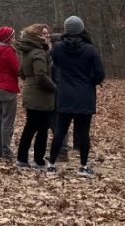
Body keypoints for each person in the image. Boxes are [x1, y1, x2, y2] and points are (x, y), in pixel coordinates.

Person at [47, 16, 105, 176]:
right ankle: (84, 166)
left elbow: (56, 65)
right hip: (85, 95)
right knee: (83, 131)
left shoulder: (58, 48)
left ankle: (51, 165)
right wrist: (90, 81)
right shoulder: (90, 50)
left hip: (65, 94)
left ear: (66, 30)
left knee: (60, 130)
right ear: (81, 29)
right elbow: (100, 73)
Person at [15, 23, 54, 170]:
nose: (47, 36)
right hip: (41, 95)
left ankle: (22, 158)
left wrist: (29, 83)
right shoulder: (39, 53)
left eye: (48, 33)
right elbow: (41, 76)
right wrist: (54, 88)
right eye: (44, 34)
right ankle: (38, 160)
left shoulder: (27, 51)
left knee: (30, 126)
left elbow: (21, 72)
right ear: (36, 37)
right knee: (42, 128)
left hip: (31, 93)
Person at [0, 26, 21, 161]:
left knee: (0, 120)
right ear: (8, 39)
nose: (14, 39)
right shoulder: (8, 51)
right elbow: (17, 69)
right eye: (12, 37)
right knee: (8, 121)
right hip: (9, 88)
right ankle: (6, 151)